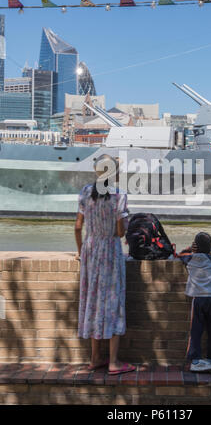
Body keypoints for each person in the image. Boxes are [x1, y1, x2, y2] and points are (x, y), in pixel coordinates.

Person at [75, 154, 136, 375]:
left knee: (92, 300)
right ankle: (114, 362)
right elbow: (120, 232)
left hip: (91, 250)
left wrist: (81, 251)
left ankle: (94, 358)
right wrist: (122, 225)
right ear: (115, 173)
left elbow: (77, 227)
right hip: (110, 250)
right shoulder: (119, 195)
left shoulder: (84, 193)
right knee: (112, 302)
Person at [178, 232, 211, 373]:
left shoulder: (189, 258)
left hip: (197, 299)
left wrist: (190, 248)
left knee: (196, 330)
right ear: (210, 247)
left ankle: (195, 359)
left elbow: (180, 254)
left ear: (195, 246)